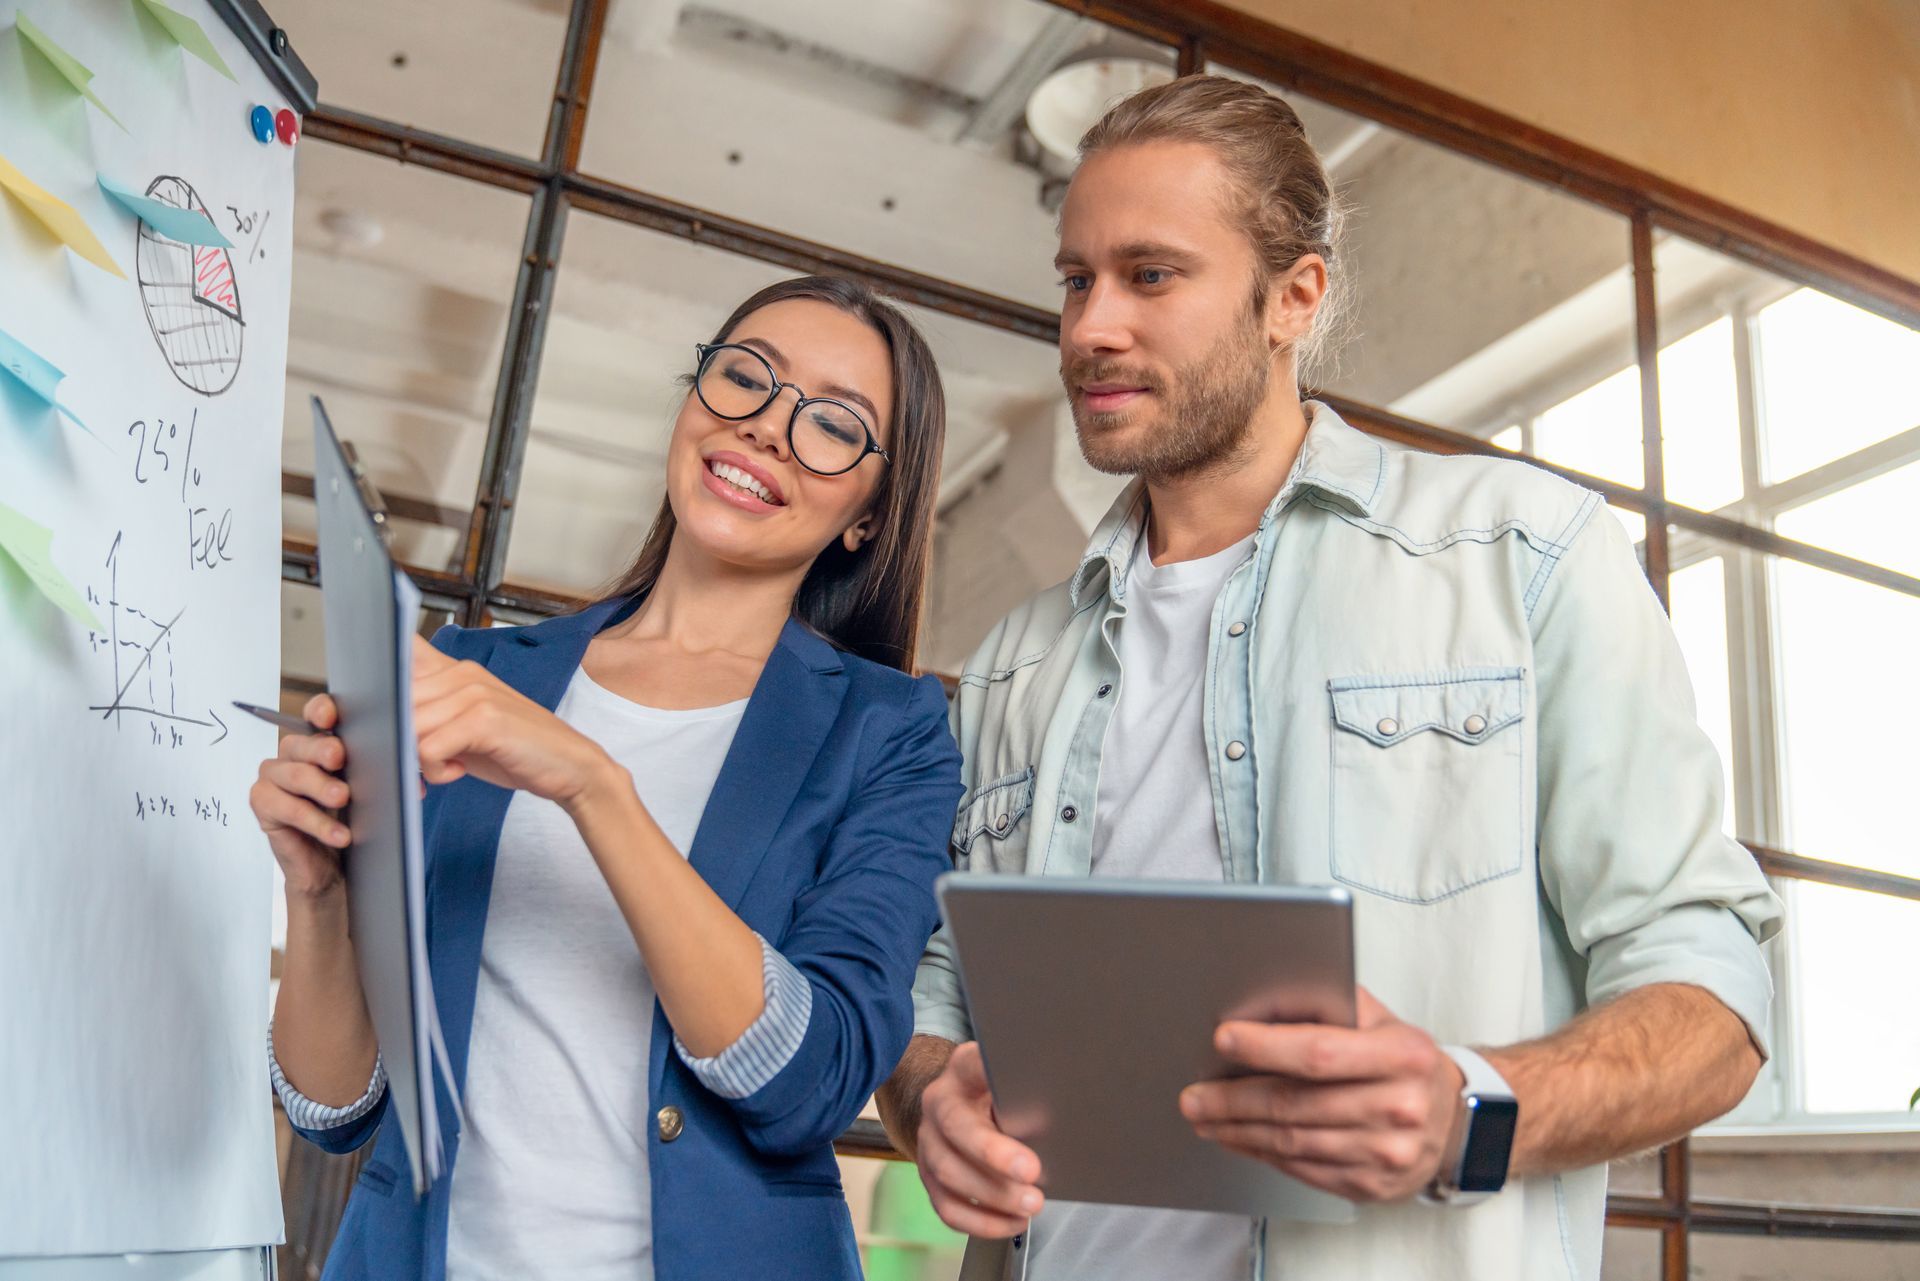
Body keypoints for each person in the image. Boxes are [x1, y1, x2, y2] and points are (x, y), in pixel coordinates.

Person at [877, 76, 1782, 1281]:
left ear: (1292, 298)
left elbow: (1712, 991)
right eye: (1076, 278)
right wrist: (932, 1099)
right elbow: (936, 1000)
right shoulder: (1014, 662)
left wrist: (1472, 1108)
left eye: (1150, 276)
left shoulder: (1523, 553)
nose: (1091, 326)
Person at [253, 275, 964, 1281]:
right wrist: (318, 893)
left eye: (834, 426)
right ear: (691, 402)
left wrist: (592, 783)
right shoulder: (474, 678)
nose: (767, 428)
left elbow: (807, 1084)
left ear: (868, 518)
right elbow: (335, 1109)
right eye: (744, 378)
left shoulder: (891, 735)